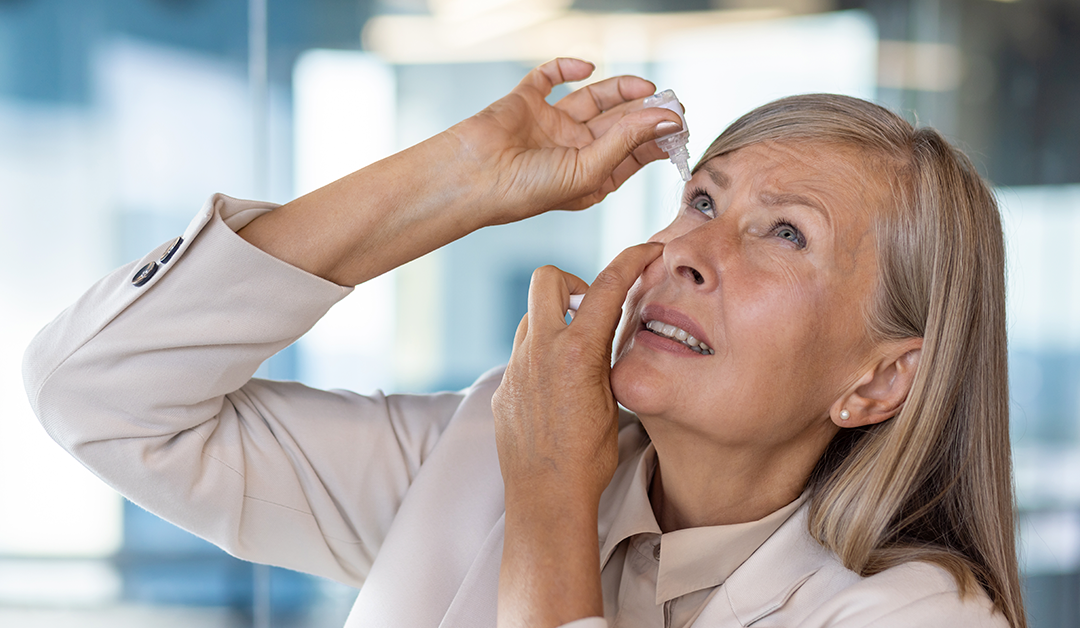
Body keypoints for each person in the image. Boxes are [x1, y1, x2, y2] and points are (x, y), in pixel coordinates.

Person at [23, 58, 1024, 628]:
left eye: (785, 233)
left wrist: (549, 500)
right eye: (701, 201)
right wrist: (459, 179)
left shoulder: (918, 616)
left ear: (880, 380)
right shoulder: (482, 453)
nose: (688, 252)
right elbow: (97, 391)